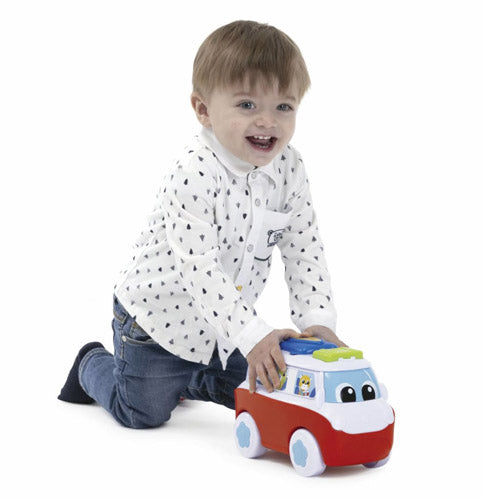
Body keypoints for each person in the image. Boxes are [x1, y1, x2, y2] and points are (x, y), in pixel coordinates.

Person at [58, 20, 346, 429]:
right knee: (142, 413)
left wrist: (318, 321)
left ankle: (192, 378)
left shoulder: (290, 168)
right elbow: (199, 269)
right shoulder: (194, 173)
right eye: (247, 105)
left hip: (224, 328)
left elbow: (305, 248)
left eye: (284, 107)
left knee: (268, 393)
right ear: (203, 110)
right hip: (156, 323)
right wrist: (253, 335)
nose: (268, 121)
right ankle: (92, 362)